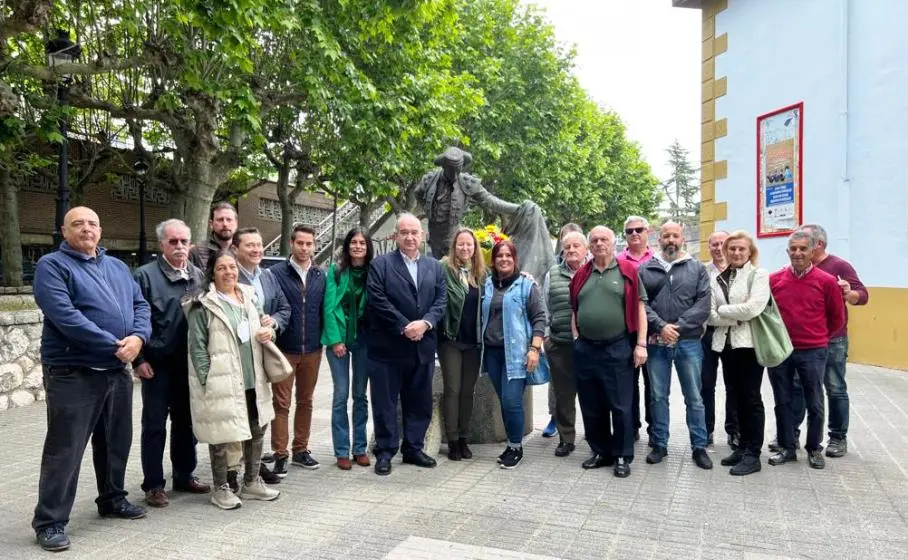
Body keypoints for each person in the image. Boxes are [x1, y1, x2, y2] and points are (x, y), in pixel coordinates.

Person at [31, 206, 152, 552]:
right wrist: (116, 345)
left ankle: (112, 498)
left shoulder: (116, 266)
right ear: (63, 231)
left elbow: (140, 306)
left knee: (117, 442)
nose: (87, 229)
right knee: (65, 450)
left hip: (116, 371)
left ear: (100, 230)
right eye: (78, 224)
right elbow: (65, 316)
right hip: (73, 372)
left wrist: (139, 339)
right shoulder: (52, 266)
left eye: (93, 223)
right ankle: (50, 521)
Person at [186, 250, 281, 509]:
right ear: (211, 273)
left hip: (253, 377)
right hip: (222, 381)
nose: (229, 272)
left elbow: (261, 328)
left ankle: (251, 482)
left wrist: (267, 333)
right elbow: (197, 347)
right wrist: (207, 380)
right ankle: (221, 487)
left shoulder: (249, 297)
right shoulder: (202, 304)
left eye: (232, 267)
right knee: (221, 435)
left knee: (256, 428)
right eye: (221, 268)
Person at [133, 219, 210, 508]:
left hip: (188, 364)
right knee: (154, 425)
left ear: (190, 244)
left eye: (183, 242)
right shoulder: (144, 276)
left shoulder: (199, 275)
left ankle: (184, 474)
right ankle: (153, 484)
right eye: (172, 241)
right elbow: (132, 320)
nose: (179, 247)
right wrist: (138, 360)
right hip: (155, 364)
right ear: (161, 244)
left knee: (186, 423)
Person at [779, 224, 869, 458]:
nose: (798, 249)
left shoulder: (838, 267)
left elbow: (861, 296)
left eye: (804, 242)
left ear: (816, 245)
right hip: (804, 342)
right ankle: (792, 435)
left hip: (832, 339)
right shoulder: (786, 274)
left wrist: (848, 294)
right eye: (794, 246)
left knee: (835, 388)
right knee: (800, 388)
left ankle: (837, 437)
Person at [366, 213, 447, 475]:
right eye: (404, 232)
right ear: (395, 236)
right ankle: (386, 451)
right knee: (385, 403)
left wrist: (424, 324)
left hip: (422, 346)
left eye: (414, 232)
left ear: (422, 235)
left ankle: (413, 448)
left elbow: (440, 301)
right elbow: (377, 300)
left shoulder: (434, 267)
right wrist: (405, 325)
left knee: (419, 401)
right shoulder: (380, 265)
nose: (410, 237)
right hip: (388, 348)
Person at [569, 226, 648, 478]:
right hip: (586, 348)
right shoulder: (582, 274)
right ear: (589, 246)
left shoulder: (628, 271)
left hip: (617, 347)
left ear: (614, 243)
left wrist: (641, 344)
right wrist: (576, 338)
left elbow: (639, 309)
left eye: (604, 239)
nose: (599, 243)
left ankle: (622, 455)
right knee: (592, 404)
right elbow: (575, 309)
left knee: (621, 404)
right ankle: (601, 451)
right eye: (594, 240)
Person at [768, 230, 846, 469]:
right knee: (782, 401)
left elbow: (837, 318)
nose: (798, 253)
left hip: (813, 351)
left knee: (815, 402)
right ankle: (787, 447)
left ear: (813, 251)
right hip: (782, 351)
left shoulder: (826, 281)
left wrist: (818, 338)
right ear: (788, 251)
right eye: (794, 249)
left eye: (803, 249)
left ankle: (814, 448)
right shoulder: (775, 279)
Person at [639, 221, 713, 470]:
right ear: (659, 239)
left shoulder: (697, 268)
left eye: (675, 236)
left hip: (688, 341)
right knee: (658, 395)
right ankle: (660, 444)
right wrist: (661, 326)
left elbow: (703, 303)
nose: (671, 240)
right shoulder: (646, 268)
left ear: (683, 239)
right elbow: (641, 304)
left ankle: (699, 446)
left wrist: (677, 327)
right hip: (657, 342)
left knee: (694, 397)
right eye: (666, 236)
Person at [707, 231, 770, 476]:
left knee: (751, 399)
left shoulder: (758, 275)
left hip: (750, 346)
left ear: (750, 252)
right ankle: (742, 447)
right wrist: (733, 316)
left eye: (741, 249)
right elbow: (710, 314)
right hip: (727, 345)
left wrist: (724, 312)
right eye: (731, 248)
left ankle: (753, 454)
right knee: (736, 397)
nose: (736, 253)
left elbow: (753, 309)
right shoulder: (718, 277)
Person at [481, 240, 548, 469]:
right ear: (493, 260)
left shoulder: (526, 285)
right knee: (505, 400)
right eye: (499, 256)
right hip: (492, 353)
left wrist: (534, 348)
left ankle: (516, 447)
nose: (504, 259)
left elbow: (539, 317)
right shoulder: (487, 284)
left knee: (511, 401)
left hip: (517, 354)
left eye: (508, 255)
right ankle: (511, 444)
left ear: (515, 259)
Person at [233, 227, 291, 484]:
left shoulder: (267, 276)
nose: (257, 250)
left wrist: (273, 322)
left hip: (263, 355)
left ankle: (253, 466)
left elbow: (284, 307)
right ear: (236, 249)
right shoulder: (230, 275)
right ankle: (234, 469)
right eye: (250, 245)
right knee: (240, 414)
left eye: (259, 245)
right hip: (239, 355)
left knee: (259, 413)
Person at [267, 225, 327, 475]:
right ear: (291, 244)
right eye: (300, 243)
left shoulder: (320, 275)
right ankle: (280, 454)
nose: (304, 248)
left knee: (306, 401)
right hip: (284, 348)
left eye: (309, 244)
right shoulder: (274, 273)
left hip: (312, 349)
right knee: (281, 403)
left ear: (314, 246)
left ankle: (301, 450)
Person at [322, 227, 375, 470]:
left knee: (361, 395)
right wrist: (335, 340)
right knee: (341, 395)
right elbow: (328, 307)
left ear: (368, 247)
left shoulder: (373, 272)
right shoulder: (336, 270)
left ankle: (360, 448)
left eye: (362, 243)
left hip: (363, 338)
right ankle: (342, 450)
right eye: (354, 242)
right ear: (347, 246)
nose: (357, 247)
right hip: (339, 340)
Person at [439, 227, 487, 461]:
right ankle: (453, 441)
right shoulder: (444, 268)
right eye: (461, 244)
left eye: (469, 244)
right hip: (451, 339)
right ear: (454, 246)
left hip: (474, 342)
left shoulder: (480, 273)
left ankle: (465, 438)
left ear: (475, 247)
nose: (465, 248)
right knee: (453, 390)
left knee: (468, 392)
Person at [542, 228, 588, 457]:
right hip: (560, 344)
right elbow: (544, 307)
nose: (571, 250)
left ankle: (595, 436)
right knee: (564, 395)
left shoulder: (593, 271)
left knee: (592, 392)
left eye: (575, 246)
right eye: (567, 246)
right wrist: (548, 337)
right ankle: (566, 438)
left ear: (585, 249)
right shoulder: (553, 273)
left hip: (591, 345)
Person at [617, 215, 654, 444]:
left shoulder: (658, 260)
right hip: (628, 332)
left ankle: (654, 430)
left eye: (638, 229)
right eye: (629, 231)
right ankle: (632, 427)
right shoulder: (618, 261)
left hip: (654, 332)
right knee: (629, 384)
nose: (634, 234)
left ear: (647, 231)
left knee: (654, 386)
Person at [701, 230, 738, 449]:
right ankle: (706, 430)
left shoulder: (740, 271)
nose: (717, 247)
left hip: (733, 336)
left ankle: (734, 430)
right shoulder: (702, 271)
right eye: (713, 244)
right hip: (708, 333)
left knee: (734, 384)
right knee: (706, 384)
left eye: (722, 243)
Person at [189, 201, 238, 270]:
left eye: (229, 220)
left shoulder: (243, 251)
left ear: (236, 223)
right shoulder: (196, 252)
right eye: (220, 220)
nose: (225, 224)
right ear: (211, 224)